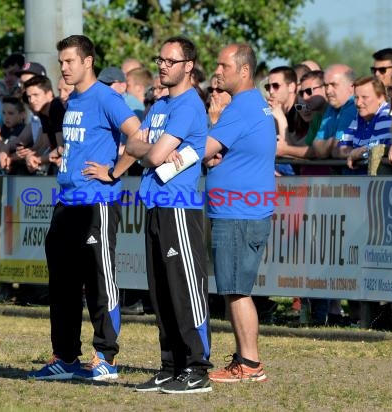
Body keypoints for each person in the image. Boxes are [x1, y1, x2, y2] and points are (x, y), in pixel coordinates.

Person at [27, 34, 140, 381]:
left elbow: (137, 135)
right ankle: (65, 357)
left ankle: (105, 356)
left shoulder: (107, 97)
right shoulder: (70, 101)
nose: (63, 68)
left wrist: (113, 171)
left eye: (69, 62)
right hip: (66, 202)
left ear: (88, 61)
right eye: (61, 62)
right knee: (61, 282)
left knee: (99, 281)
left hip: (97, 203)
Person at [126, 36, 212, 394]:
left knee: (184, 288)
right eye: (160, 60)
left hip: (179, 206)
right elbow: (132, 146)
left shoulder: (189, 106)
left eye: (171, 61)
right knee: (160, 290)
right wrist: (147, 149)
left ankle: (197, 367)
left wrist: (146, 149)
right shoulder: (160, 106)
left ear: (188, 66)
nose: (162, 66)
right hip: (155, 203)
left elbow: (155, 154)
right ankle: (170, 364)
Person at [202, 43, 273, 383]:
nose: (218, 71)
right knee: (236, 287)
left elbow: (204, 150)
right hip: (244, 210)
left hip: (238, 212)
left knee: (236, 289)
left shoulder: (241, 108)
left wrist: (210, 125)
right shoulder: (251, 104)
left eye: (224, 65)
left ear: (244, 71)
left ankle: (249, 363)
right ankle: (247, 361)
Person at [336, 76, 392, 171]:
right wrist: (353, 153)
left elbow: (378, 150)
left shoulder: (386, 114)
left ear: (381, 98)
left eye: (364, 97)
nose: (358, 103)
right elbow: (341, 148)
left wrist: (356, 153)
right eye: (356, 97)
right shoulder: (361, 115)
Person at [311, 64, 357, 158]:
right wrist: (332, 141)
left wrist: (327, 144)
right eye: (326, 85)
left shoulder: (354, 107)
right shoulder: (331, 108)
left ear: (351, 86)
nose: (328, 91)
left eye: (333, 85)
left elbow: (339, 149)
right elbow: (317, 148)